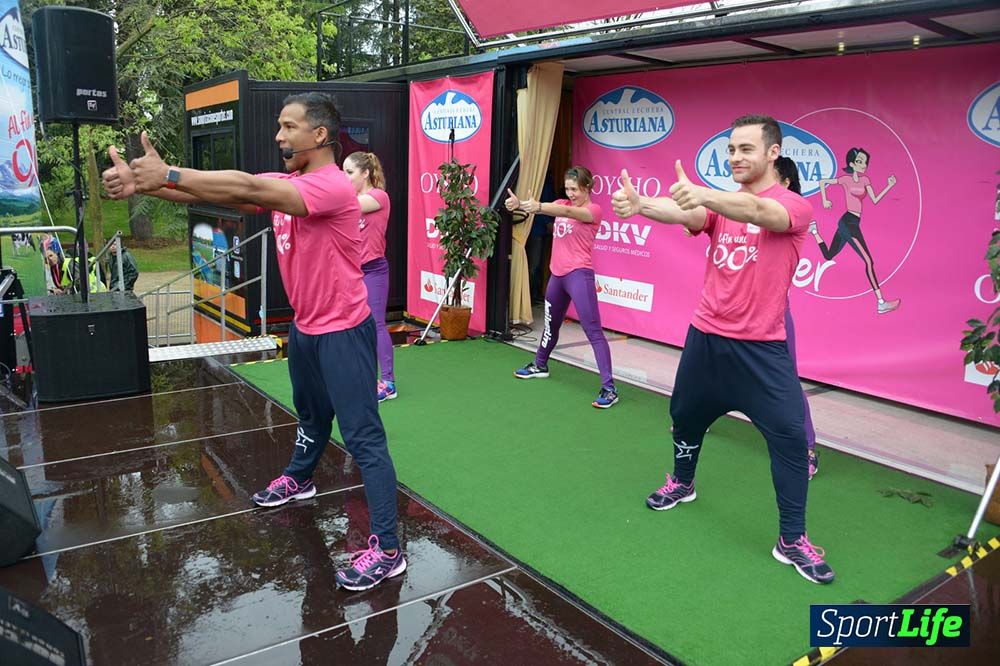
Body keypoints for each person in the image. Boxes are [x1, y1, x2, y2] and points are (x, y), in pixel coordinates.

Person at [101, 92, 405, 592]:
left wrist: (169, 173)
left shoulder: (331, 187)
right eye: (279, 126)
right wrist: (146, 186)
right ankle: (301, 479)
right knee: (310, 416)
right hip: (307, 329)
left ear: (320, 135)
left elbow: (248, 187)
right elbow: (230, 194)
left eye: (289, 127)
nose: (279, 136)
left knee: (364, 439)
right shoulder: (293, 182)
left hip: (344, 331)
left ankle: (388, 550)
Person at [611, 115, 834, 584]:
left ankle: (791, 540)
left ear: (773, 153)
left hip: (761, 351)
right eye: (731, 149)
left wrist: (705, 193)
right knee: (685, 416)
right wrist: (641, 205)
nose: (735, 157)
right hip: (707, 339)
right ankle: (682, 483)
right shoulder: (721, 206)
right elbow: (688, 214)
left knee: (791, 441)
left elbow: (758, 214)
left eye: (746, 149)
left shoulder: (794, 206)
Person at [506, 166, 619, 409]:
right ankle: (540, 364)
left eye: (575, 189)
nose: (570, 194)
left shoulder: (593, 210)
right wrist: (520, 204)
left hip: (579, 275)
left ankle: (609, 388)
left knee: (593, 330)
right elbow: (559, 206)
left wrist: (537, 206)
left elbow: (566, 210)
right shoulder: (560, 202)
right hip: (557, 276)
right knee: (551, 325)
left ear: (587, 187)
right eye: (567, 188)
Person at [810, 147, 899, 314]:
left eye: (865, 162)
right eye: (859, 161)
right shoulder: (845, 180)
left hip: (853, 223)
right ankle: (881, 302)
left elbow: (875, 199)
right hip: (847, 222)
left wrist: (889, 186)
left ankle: (814, 231)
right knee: (868, 261)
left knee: (829, 255)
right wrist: (825, 200)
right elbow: (823, 182)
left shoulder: (865, 181)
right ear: (852, 164)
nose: (863, 165)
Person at [773, 156, 819, 480]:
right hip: (739, 317)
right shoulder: (749, 209)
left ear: (786, 182)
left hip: (775, 316)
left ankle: (808, 449)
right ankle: (692, 422)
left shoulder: (796, 213)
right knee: (716, 371)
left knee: (788, 382)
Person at [343, 151, 396, 403]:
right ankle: (363, 377)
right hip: (351, 271)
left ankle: (388, 383)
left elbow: (347, 206)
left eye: (349, 172)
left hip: (373, 270)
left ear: (365, 173)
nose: (345, 177)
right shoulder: (351, 198)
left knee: (376, 325)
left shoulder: (378, 196)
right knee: (352, 326)